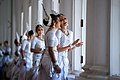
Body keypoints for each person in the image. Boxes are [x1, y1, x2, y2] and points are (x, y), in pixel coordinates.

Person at [56, 14, 83, 80]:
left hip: (65, 58)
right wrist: (72, 45)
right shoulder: (58, 32)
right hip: (58, 58)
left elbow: (68, 50)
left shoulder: (71, 33)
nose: (64, 20)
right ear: (59, 22)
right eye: (61, 20)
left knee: (64, 77)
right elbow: (58, 50)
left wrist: (76, 46)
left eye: (65, 18)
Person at [38, 14, 61, 80]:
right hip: (50, 60)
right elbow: (51, 50)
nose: (60, 23)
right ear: (54, 22)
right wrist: (55, 64)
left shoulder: (50, 32)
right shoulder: (51, 33)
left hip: (48, 57)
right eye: (59, 21)